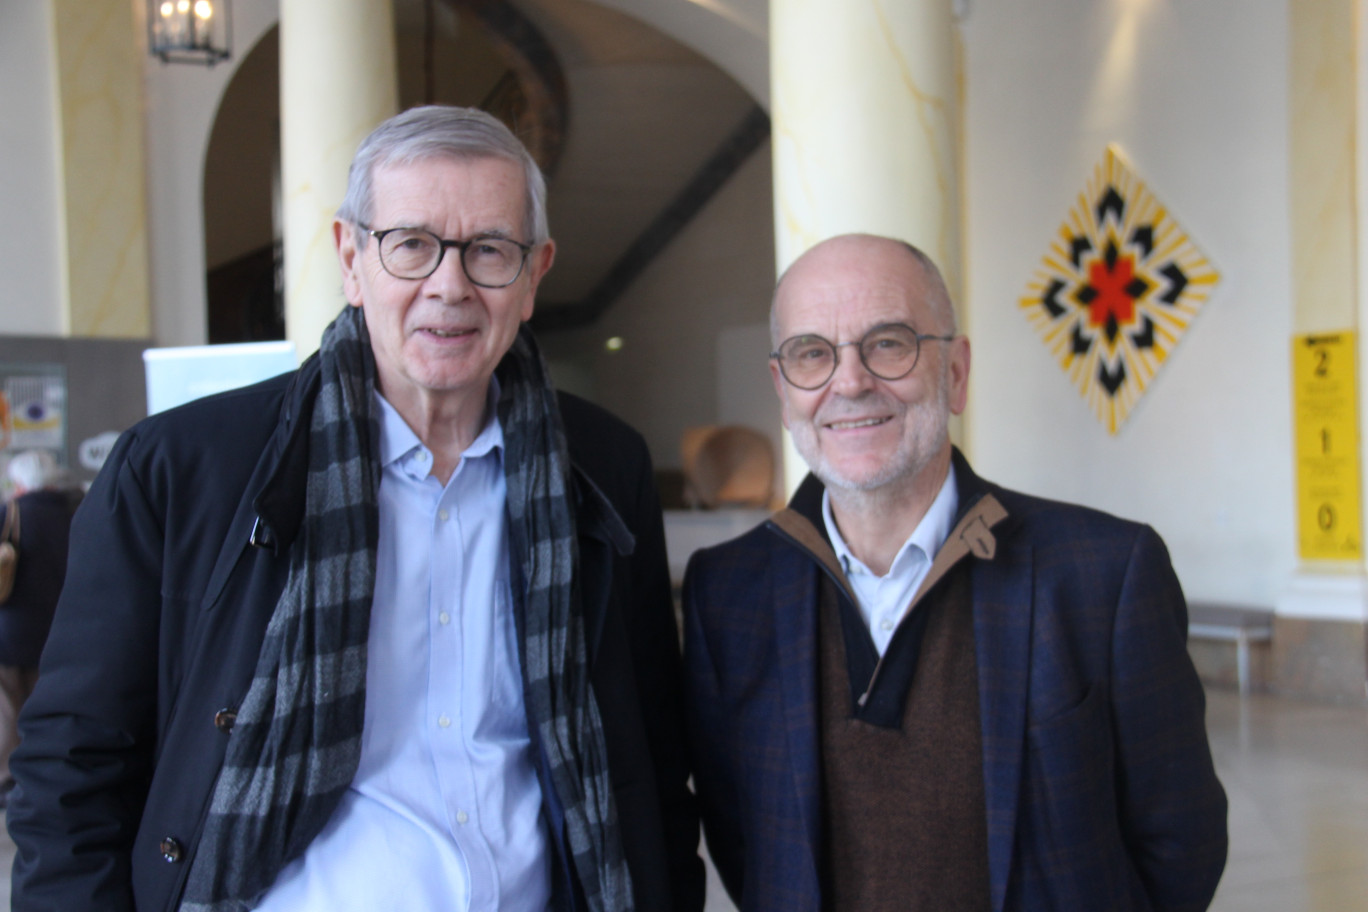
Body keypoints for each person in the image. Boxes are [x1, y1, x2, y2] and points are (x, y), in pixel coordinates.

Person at [9, 105, 702, 912]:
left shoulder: (605, 468)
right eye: (411, 244)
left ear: (535, 273)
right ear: (351, 256)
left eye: (488, 250)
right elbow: (72, 765)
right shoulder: (182, 469)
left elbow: (650, 759)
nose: (449, 285)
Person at [682, 234, 1228, 912]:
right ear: (784, 389)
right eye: (812, 354)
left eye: (889, 343)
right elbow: (748, 845)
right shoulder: (729, 595)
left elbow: (1181, 841)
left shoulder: (1104, 575)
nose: (849, 383)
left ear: (957, 372)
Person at [0, 450, 79, 809]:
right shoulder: (73, 513)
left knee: (9, 709)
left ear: (18, 482)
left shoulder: (9, 514)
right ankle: (45, 774)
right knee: (48, 706)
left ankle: (9, 777)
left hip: (11, 630)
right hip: (59, 629)